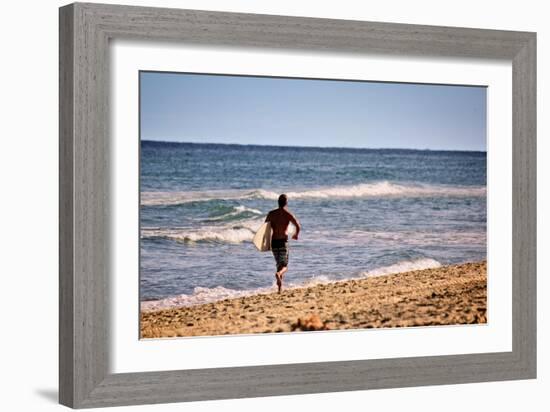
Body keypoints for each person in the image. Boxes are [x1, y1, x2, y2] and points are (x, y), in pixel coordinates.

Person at [265, 194, 301, 293]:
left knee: (279, 264)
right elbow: (298, 225)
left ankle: (280, 288)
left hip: (274, 242)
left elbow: (265, 229)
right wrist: (296, 235)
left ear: (278, 202)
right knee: (284, 266)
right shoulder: (288, 214)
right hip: (283, 242)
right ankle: (278, 275)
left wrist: (266, 242)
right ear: (286, 203)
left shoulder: (271, 214)